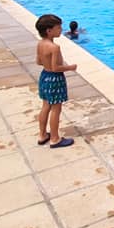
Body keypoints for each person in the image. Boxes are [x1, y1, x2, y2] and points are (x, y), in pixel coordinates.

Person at [34, 14, 77, 148]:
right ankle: (54, 138)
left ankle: (42, 135)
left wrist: (47, 64)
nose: (61, 30)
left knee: (46, 106)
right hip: (55, 79)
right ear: (49, 30)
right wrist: (70, 67)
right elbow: (56, 68)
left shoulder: (40, 44)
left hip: (44, 76)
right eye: (58, 28)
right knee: (56, 109)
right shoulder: (54, 47)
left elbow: (38, 61)